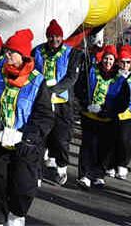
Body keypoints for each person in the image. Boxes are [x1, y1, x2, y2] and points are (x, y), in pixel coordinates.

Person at [0, 29, 53, 226]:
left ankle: (16, 215)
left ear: (23, 56)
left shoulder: (37, 81)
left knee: (23, 188)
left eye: (11, 52)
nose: (6, 55)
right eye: (6, 51)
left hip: (24, 146)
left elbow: (44, 116)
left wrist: (28, 137)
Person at [32, 19, 79, 186]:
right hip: (41, 102)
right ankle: (36, 173)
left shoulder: (71, 53)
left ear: (62, 37)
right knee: (39, 138)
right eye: (51, 37)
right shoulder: (37, 51)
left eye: (58, 36)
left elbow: (72, 77)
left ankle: (61, 166)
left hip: (62, 104)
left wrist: (54, 90)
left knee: (61, 139)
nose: (54, 40)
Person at [76, 44, 128, 189]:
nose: (108, 62)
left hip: (108, 119)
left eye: (111, 59)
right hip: (89, 116)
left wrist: (108, 111)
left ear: (115, 61)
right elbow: (79, 88)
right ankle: (85, 175)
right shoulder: (91, 72)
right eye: (106, 58)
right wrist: (86, 104)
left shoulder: (120, 79)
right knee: (88, 146)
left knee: (104, 148)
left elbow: (123, 101)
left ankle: (98, 174)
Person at [109, 44, 131, 178]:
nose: (126, 65)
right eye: (123, 62)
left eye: (128, 62)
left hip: (129, 113)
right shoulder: (113, 76)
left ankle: (122, 164)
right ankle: (111, 164)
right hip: (114, 112)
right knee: (112, 139)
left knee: (125, 140)